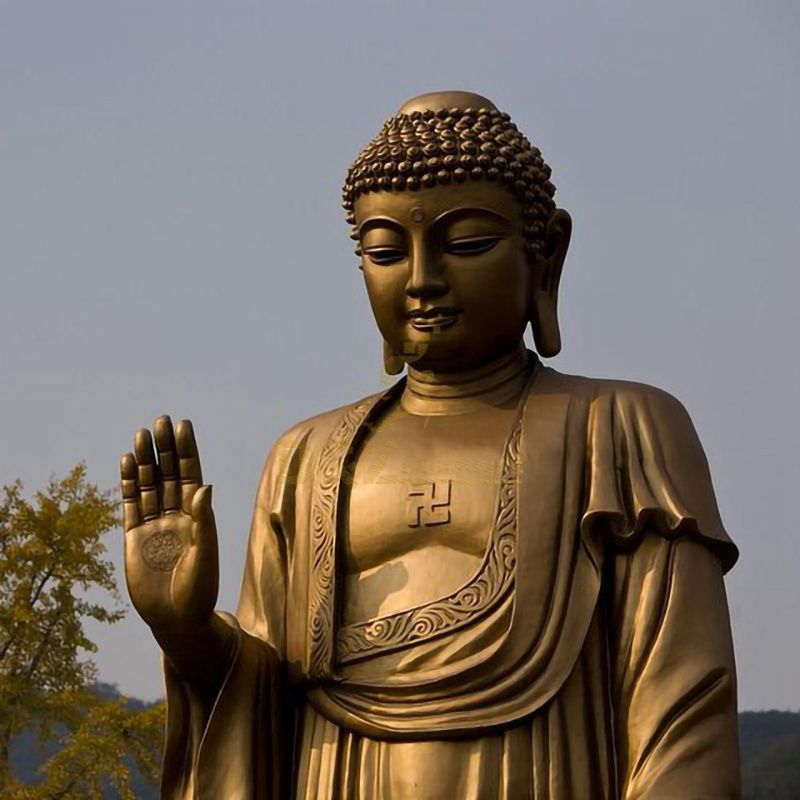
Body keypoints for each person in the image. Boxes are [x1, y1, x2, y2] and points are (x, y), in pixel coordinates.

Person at [120, 91, 741, 799]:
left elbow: (684, 711)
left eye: (467, 244)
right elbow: (266, 694)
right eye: (386, 251)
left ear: (548, 253)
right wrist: (188, 632)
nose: (421, 280)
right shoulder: (305, 458)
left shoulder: (618, 427)